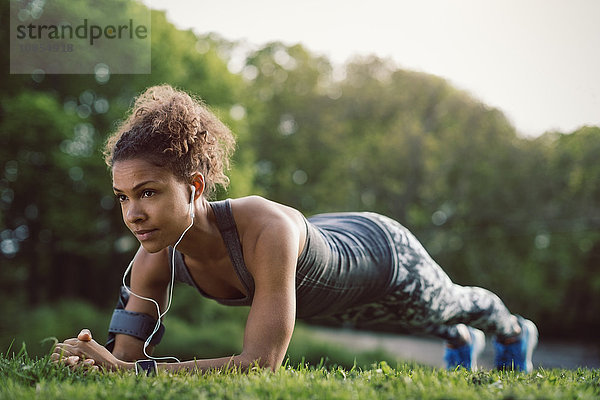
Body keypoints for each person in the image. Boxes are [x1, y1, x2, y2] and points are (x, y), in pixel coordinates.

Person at [52, 84, 538, 374]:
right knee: (403, 321)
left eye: (149, 192)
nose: (133, 213)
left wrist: (133, 372)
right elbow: (124, 358)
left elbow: (260, 363)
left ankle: (514, 332)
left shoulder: (265, 229)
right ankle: (459, 341)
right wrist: (91, 357)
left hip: (381, 254)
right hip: (330, 277)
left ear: (195, 187)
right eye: (123, 197)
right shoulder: (152, 257)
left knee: (447, 304)